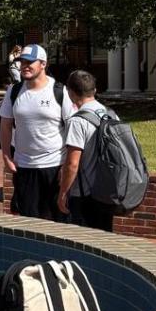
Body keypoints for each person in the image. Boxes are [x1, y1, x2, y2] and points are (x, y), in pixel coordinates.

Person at [0, 42, 75, 221]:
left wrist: (67, 165)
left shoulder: (59, 91)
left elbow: (72, 129)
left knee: (57, 221)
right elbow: (5, 124)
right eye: (22, 62)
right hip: (24, 167)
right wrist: (6, 156)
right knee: (28, 222)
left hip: (54, 166)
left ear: (43, 64)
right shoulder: (14, 91)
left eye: (29, 62)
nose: (24, 66)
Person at [57, 69, 114, 231]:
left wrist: (63, 193)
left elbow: (72, 164)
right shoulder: (110, 115)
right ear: (94, 91)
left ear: (70, 93)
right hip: (107, 191)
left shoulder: (78, 121)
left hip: (84, 195)